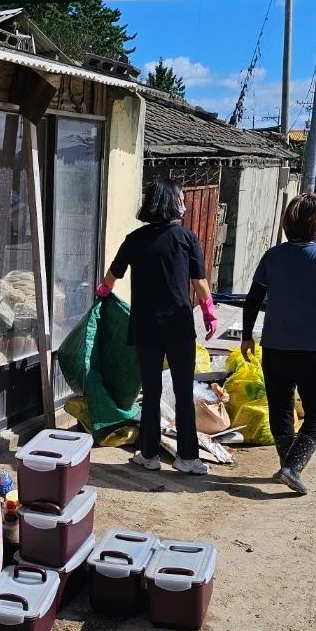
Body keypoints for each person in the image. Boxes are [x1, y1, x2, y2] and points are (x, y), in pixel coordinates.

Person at [239, 193, 316, 496]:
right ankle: (292, 467)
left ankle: (287, 464)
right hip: (313, 348)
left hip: (275, 348)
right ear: (315, 223)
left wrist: (247, 334)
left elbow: (253, 299)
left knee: (280, 406)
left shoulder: (273, 256)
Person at [98, 177, 216, 475]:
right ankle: (188, 458)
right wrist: (209, 313)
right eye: (180, 197)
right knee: (183, 390)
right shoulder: (187, 238)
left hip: (145, 328)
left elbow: (111, 278)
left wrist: (101, 294)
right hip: (178, 326)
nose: (183, 203)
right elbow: (200, 283)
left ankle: (148, 454)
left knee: (150, 392)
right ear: (171, 202)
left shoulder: (134, 239)